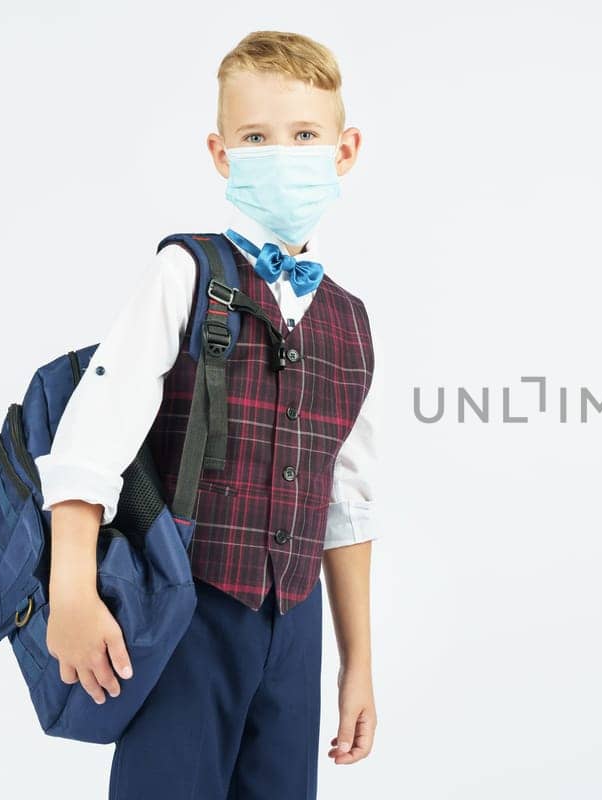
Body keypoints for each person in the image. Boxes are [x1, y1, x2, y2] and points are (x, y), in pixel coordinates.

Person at [32, 30, 378, 799]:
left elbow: (345, 506)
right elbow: (93, 434)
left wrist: (357, 665)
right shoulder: (186, 270)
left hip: (294, 627)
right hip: (191, 610)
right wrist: (73, 590)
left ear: (344, 150)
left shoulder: (350, 323)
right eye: (257, 137)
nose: (282, 153)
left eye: (305, 136)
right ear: (222, 154)